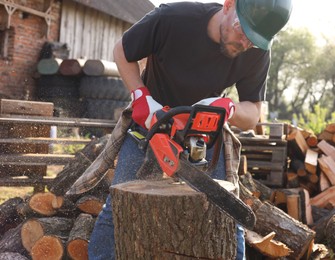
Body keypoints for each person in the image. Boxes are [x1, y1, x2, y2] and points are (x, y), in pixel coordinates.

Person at [68, 0, 292, 259]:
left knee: (229, 215)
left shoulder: (256, 51)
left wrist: (228, 108)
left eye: (253, 40)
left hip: (203, 134)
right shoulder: (173, 18)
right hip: (151, 124)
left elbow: (253, 114)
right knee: (118, 206)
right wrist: (142, 98)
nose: (244, 44)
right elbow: (122, 50)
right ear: (229, 5)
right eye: (242, 31)